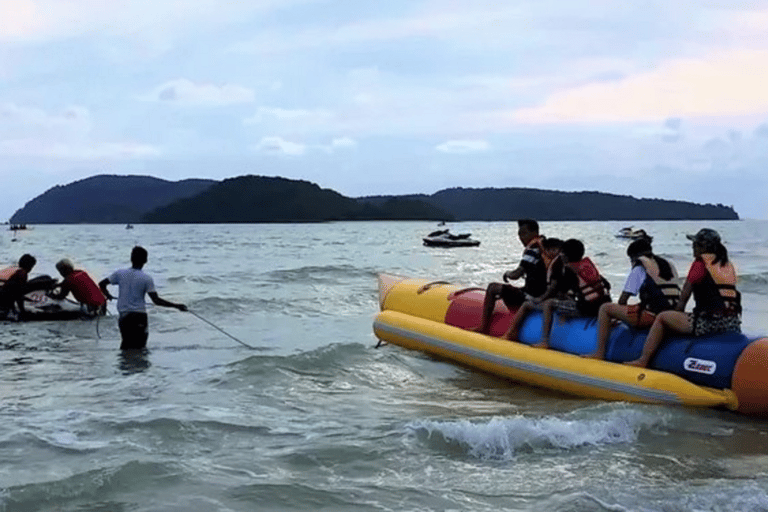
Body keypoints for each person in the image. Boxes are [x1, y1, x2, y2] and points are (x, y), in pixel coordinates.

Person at [625, 228, 741, 368]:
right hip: (732, 323)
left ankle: (643, 360)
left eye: (695, 244)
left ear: (703, 247)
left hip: (709, 323)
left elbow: (684, 296)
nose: (692, 246)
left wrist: (674, 316)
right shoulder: (726, 264)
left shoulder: (700, 264)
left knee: (662, 317)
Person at [583, 238, 680, 360]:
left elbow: (623, 299)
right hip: (672, 316)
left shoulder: (640, 267)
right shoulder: (668, 265)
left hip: (652, 317)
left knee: (605, 308)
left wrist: (617, 316)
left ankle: (599, 352)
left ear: (634, 256)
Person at [527, 239, 612, 349]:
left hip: (587, 310)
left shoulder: (569, 270)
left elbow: (557, 292)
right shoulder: (588, 266)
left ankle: (544, 341)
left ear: (564, 256)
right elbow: (607, 285)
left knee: (549, 303)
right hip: (602, 308)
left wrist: (539, 299)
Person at [99, 246, 187, 350]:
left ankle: (124, 365)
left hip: (124, 317)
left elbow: (102, 284)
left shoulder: (119, 274)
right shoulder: (146, 278)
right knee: (140, 347)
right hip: (139, 317)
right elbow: (156, 300)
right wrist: (176, 306)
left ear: (131, 259)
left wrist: (107, 295)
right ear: (145, 260)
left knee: (126, 345)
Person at [472, 219, 547, 334]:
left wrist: (507, 274)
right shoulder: (546, 246)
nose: (521, 238)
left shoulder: (532, 249)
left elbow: (516, 274)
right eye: (519, 234)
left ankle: (483, 327)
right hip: (546, 294)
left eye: (524, 233)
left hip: (532, 296)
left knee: (492, 287)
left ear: (535, 232)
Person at [503, 237, 567, 340]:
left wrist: (540, 299)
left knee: (526, 305)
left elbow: (553, 287)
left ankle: (511, 333)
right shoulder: (562, 264)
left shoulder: (557, 265)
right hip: (565, 299)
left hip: (557, 301)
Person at [0, 254, 37, 320]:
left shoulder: (19, 272)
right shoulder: (23, 274)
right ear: (29, 266)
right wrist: (22, 311)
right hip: (4, 299)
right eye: (32, 266)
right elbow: (18, 294)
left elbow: (13, 290)